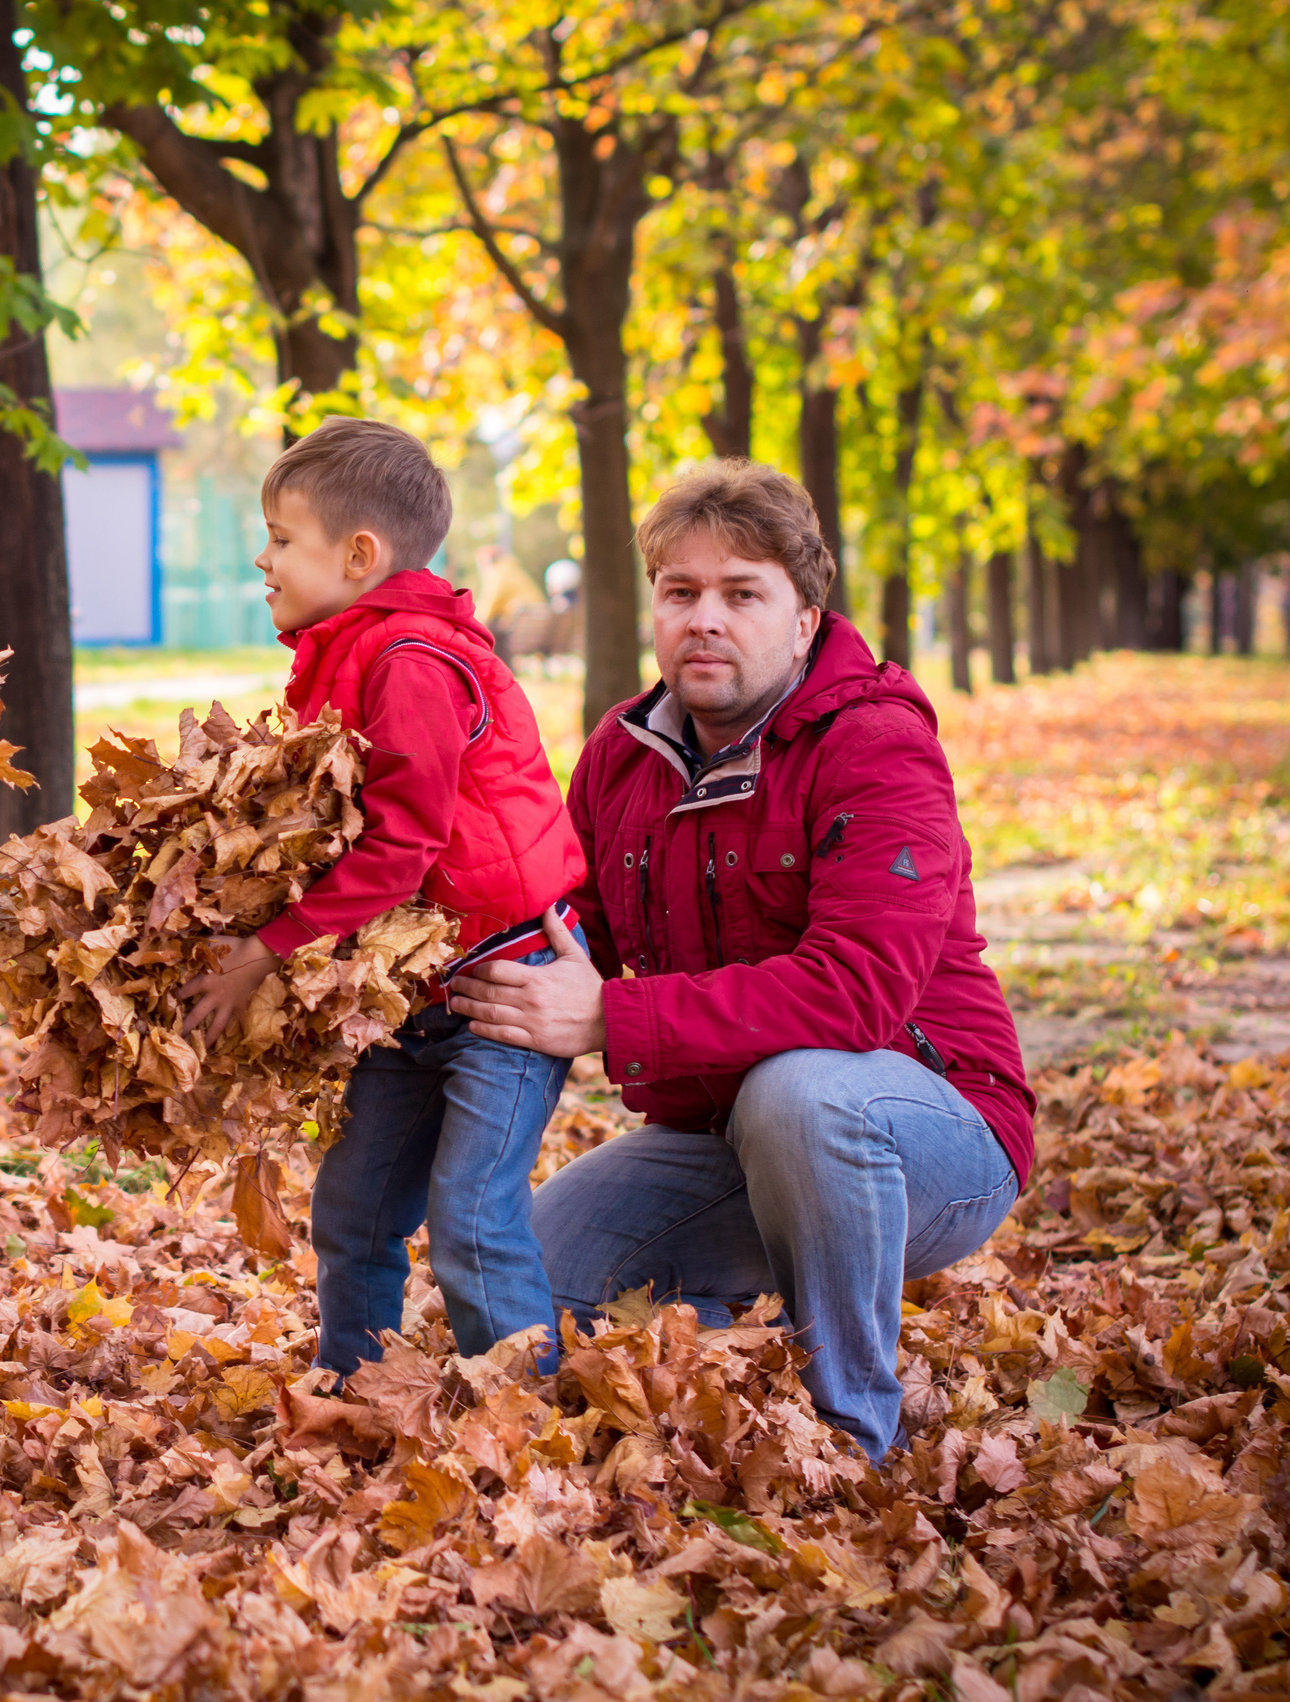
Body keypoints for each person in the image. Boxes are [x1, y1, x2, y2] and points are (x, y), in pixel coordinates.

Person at [446, 460, 1032, 1460]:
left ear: (804, 617)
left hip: (935, 1129)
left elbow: (857, 995)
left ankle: (852, 1434)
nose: (702, 620)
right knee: (534, 1276)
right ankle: (737, 1373)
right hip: (728, 1138)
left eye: (740, 594)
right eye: (679, 593)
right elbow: (564, 927)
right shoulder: (622, 754)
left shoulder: (875, 744)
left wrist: (609, 1020)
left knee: (800, 1092)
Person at [181, 418, 588, 1378]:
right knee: (354, 1210)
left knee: (473, 1218)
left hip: (506, 985)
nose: (261, 556)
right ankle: (352, 1384)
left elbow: (403, 849)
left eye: (282, 537)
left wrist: (261, 952)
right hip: (416, 985)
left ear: (359, 555)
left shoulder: (411, 660)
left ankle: (526, 1428)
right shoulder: (352, 649)